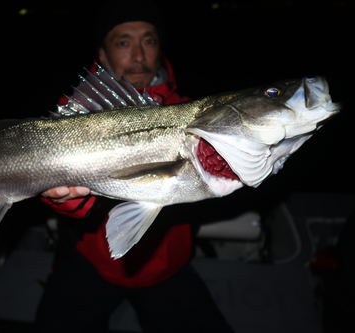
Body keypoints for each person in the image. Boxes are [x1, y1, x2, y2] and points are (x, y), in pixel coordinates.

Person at [34, 2, 235, 332]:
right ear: (102, 53)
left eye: (149, 40)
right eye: (123, 42)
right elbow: (54, 179)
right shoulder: (77, 114)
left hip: (167, 267)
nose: (139, 55)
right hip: (94, 263)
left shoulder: (193, 113)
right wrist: (68, 199)